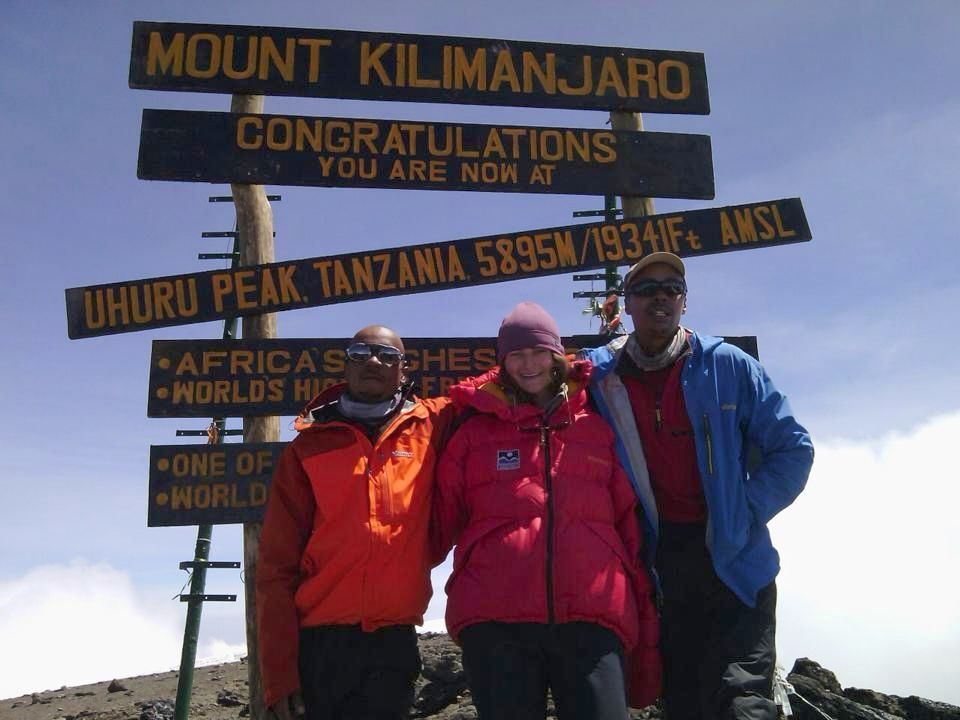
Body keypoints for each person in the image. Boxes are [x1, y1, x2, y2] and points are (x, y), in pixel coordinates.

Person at [579, 253, 814, 720]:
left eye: (672, 288)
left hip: (736, 561)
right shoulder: (600, 377)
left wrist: (743, 510)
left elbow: (792, 449)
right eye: (646, 290)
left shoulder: (728, 365)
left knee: (743, 701)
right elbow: (528, 379)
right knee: (684, 700)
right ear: (626, 304)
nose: (660, 296)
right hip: (659, 566)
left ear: (685, 302)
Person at [433, 302, 660, 720]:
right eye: (516, 354)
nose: (528, 363)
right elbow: (441, 519)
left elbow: (629, 517)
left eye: (538, 351)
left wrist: (639, 592)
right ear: (503, 362)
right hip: (495, 617)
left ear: (557, 354)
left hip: (593, 612)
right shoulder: (474, 429)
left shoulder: (598, 420)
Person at [256, 325, 456, 720]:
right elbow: (275, 568)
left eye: (387, 356)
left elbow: (502, 381)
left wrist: (558, 357)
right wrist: (279, 675)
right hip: (319, 647)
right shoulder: (309, 446)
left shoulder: (431, 425)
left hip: (393, 644)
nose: (374, 362)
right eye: (361, 353)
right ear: (345, 367)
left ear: (404, 371)